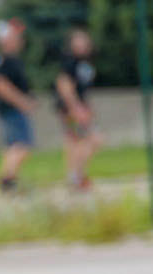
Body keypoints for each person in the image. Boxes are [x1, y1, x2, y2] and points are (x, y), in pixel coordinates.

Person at [0, 19, 36, 193]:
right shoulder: (4, 61)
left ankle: (9, 179)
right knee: (22, 145)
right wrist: (22, 102)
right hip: (11, 110)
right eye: (16, 37)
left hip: (13, 109)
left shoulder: (12, 60)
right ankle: (6, 178)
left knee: (13, 147)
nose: (20, 40)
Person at [56, 26, 100, 190]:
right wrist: (75, 107)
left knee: (75, 141)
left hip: (78, 107)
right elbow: (64, 84)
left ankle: (76, 176)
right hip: (71, 109)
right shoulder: (70, 62)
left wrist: (86, 107)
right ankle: (76, 176)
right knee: (92, 139)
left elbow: (83, 89)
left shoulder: (85, 62)